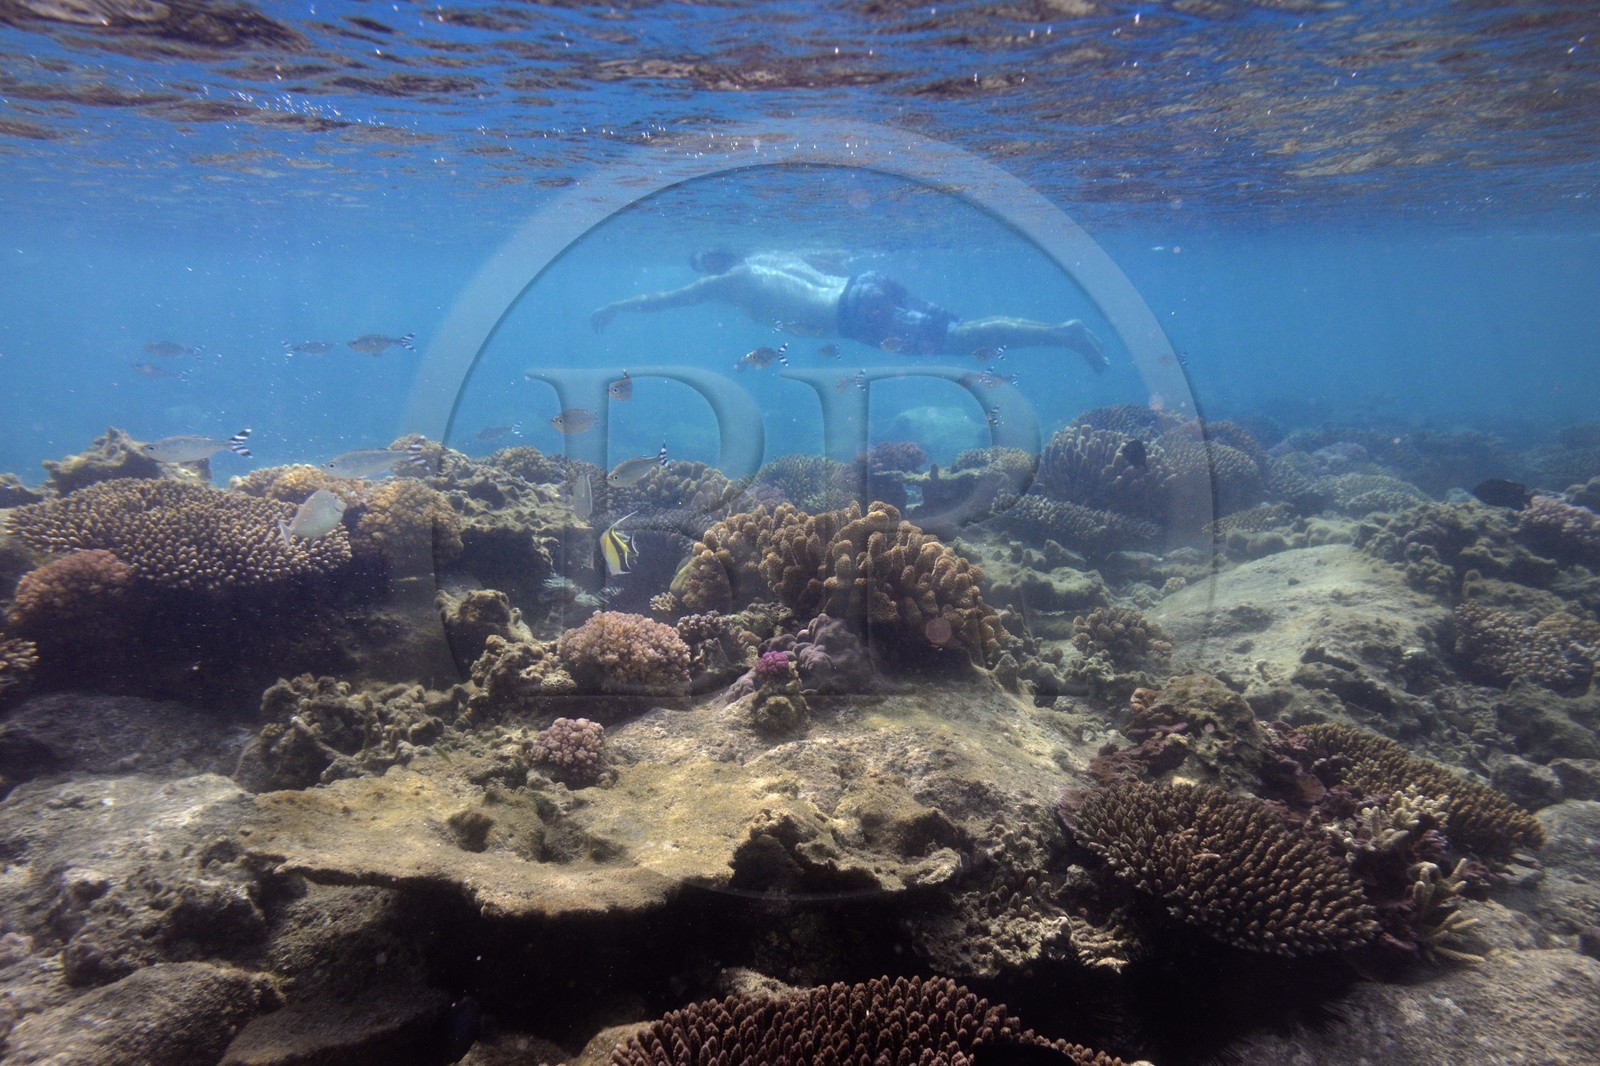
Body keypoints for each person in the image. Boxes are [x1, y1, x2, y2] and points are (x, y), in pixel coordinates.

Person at [589, 250, 1109, 372]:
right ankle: (1060, 333)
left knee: (957, 339)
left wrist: (615, 305)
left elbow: (665, 299)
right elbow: (835, 253)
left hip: (855, 314)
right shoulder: (770, 256)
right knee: (955, 329)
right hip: (867, 287)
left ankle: (1063, 334)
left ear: (710, 268)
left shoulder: (728, 282)